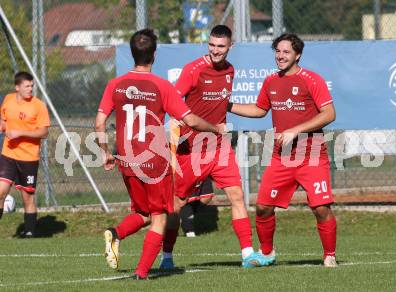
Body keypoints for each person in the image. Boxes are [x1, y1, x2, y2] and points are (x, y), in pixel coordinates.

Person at [95, 28, 226, 280]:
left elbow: (99, 123)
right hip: (154, 161)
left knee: (143, 213)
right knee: (159, 217)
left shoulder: (115, 84)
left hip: (127, 159)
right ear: (154, 54)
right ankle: (142, 273)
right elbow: (191, 120)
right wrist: (214, 128)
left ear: (133, 53)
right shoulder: (162, 86)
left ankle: (116, 233)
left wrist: (105, 153)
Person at [160, 24, 266, 269]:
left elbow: (221, 103)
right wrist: (177, 138)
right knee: (177, 204)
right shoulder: (193, 70)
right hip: (192, 150)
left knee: (237, 196)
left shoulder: (230, 70)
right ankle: (166, 256)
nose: (216, 51)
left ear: (231, 46)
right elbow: (173, 102)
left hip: (219, 147)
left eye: (221, 46)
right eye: (212, 45)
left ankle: (248, 254)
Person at [229, 33, 338, 267]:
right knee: (263, 207)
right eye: (277, 51)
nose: (280, 56)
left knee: (321, 208)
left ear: (297, 55)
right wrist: (228, 105)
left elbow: (329, 114)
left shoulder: (312, 79)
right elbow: (259, 110)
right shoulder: (271, 81)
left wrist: (295, 130)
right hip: (282, 157)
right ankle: (267, 254)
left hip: (312, 155)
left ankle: (330, 255)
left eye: (286, 52)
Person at [0, 71, 50, 238]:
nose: (30, 89)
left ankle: (29, 233)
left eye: (32, 85)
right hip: (8, 155)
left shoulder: (38, 105)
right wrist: (2, 125)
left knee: (27, 198)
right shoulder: (8, 99)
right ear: (17, 87)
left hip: (28, 158)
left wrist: (20, 133)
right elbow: (3, 120)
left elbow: (44, 132)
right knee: (0, 192)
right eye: (27, 86)